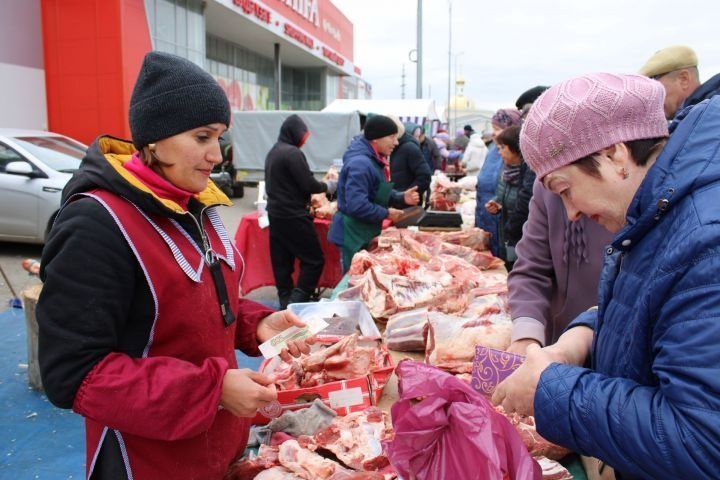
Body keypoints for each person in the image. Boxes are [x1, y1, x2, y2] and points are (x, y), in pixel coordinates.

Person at [36, 52, 313, 479]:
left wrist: (255, 324)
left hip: (214, 447)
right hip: (147, 460)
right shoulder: (96, 223)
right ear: (154, 139)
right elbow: (74, 374)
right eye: (202, 137)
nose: (216, 155)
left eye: (218, 137)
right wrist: (213, 390)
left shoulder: (193, 205)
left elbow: (201, 305)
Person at [492, 72, 720, 478]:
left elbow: (701, 443)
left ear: (615, 155)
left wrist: (552, 391)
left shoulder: (705, 240)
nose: (572, 212)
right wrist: (582, 337)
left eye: (565, 189)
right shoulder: (657, 213)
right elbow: (654, 309)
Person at [506, 178, 614, 354]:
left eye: (567, 190)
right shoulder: (546, 184)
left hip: (617, 351)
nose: (571, 213)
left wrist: (579, 340)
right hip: (557, 347)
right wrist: (527, 334)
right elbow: (531, 269)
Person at [329, 115, 420, 272]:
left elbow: (374, 190)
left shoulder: (373, 159)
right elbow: (357, 205)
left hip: (363, 231)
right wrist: (386, 213)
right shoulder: (361, 164)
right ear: (376, 138)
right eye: (392, 137)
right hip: (353, 233)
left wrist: (400, 197)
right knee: (354, 282)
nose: (396, 142)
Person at [265, 114, 337, 309]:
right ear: (295, 134)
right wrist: (328, 186)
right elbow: (307, 184)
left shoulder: (274, 151)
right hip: (293, 215)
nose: (304, 142)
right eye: (303, 137)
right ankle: (298, 303)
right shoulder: (292, 153)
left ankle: (285, 301)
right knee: (314, 260)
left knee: (282, 262)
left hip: (275, 214)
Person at [484, 125, 534, 268]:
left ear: (515, 148)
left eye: (502, 148)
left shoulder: (529, 172)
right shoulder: (505, 171)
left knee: (517, 267)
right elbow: (506, 196)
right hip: (508, 233)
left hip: (521, 235)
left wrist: (511, 227)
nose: (499, 152)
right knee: (509, 265)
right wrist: (499, 203)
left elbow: (524, 203)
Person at [475, 108, 521, 256]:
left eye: (497, 129)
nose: (493, 133)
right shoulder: (493, 151)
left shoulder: (519, 159)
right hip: (487, 218)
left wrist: (501, 204)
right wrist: (496, 201)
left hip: (507, 228)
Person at [639, 45, 720, 121]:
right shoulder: (698, 116)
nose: (650, 99)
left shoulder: (710, 115)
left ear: (683, 79)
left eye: (654, 89)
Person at [389, 122, 431, 201]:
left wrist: (406, 196)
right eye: (416, 136)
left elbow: (424, 176)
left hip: (406, 203)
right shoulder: (392, 149)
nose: (418, 139)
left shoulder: (410, 148)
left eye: (418, 136)